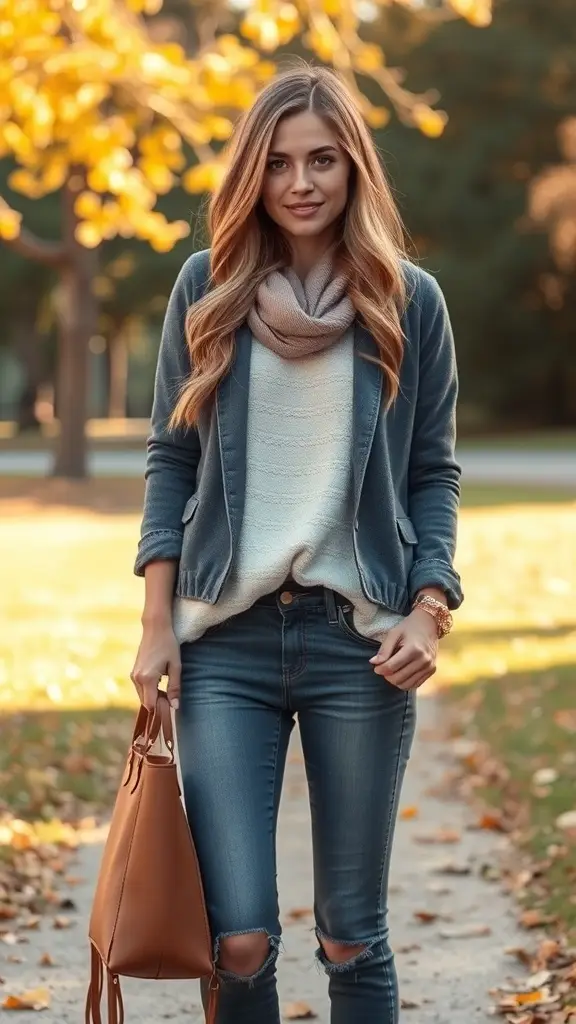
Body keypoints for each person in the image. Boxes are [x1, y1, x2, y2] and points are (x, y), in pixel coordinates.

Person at [131, 64, 463, 1024]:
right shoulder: (207, 288)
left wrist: (430, 608)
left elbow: (432, 474)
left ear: (356, 167)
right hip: (224, 644)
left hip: (358, 646)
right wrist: (156, 621)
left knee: (351, 934)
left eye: (323, 160)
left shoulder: (410, 301)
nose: (301, 182)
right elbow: (171, 459)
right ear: (252, 174)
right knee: (237, 938)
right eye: (277, 163)